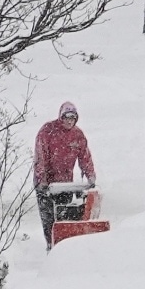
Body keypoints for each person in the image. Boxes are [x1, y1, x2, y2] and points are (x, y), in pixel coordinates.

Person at [32, 101, 97, 248]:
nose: (69, 120)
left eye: (72, 118)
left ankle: (65, 246)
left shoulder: (78, 135)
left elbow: (85, 157)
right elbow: (40, 156)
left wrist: (90, 175)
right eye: (66, 117)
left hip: (65, 183)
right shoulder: (47, 131)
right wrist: (42, 179)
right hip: (46, 184)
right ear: (61, 117)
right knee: (49, 220)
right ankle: (51, 245)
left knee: (65, 217)